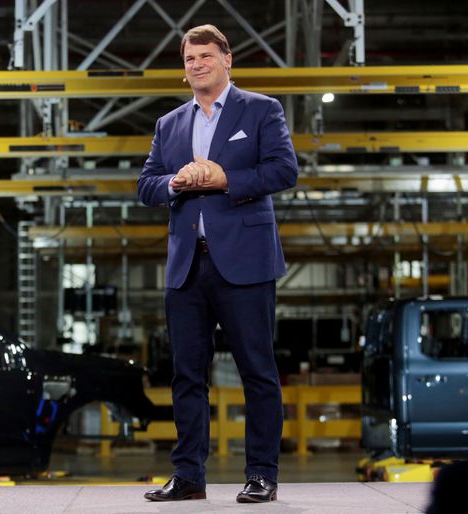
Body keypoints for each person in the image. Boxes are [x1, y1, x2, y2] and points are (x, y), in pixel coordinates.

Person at [138, 24, 298, 503]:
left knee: (258, 372)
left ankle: (262, 475)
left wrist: (226, 177)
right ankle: (188, 477)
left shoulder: (262, 109)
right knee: (186, 375)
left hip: (245, 263)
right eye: (190, 58)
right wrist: (173, 183)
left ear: (227, 60)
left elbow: (284, 170)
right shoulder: (169, 124)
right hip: (187, 266)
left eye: (206, 55)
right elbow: (146, 184)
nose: (197, 64)